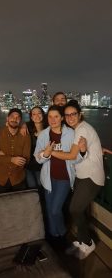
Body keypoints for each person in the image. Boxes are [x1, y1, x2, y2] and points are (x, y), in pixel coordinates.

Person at [52, 100, 105, 259]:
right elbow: (80, 153)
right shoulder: (75, 130)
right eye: (67, 115)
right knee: (77, 209)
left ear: (79, 114)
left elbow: (72, 155)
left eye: (73, 114)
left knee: (75, 209)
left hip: (91, 175)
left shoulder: (82, 129)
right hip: (82, 175)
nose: (70, 117)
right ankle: (82, 241)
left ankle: (88, 243)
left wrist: (48, 152)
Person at [34, 105, 86, 242]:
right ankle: (53, 235)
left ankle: (62, 233)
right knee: (50, 209)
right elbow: (37, 158)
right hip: (48, 178)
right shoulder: (43, 135)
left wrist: (82, 151)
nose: (53, 119)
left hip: (64, 178)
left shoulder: (71, 133)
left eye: (56, 116)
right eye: (50, 116)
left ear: (62, 118)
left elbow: (76, 158)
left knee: (55, 209)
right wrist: (45, 154)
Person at [0, 108, 31, 193]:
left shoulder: (25, 136)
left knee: (18, 205)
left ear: (20, 120)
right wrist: (12, 159)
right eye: (12, 116)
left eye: (18, 117)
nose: (15, 119)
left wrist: (3, 157)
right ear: (7, 118)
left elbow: (26, 159)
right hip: (0, 179)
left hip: (18, 179)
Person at [26, 106, 47, 189]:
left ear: (43, 114)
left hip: (43, 166)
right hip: (29, 166)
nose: (37, 116)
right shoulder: (27, 130)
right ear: (31, 117)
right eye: (34, 114)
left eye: (39, 113)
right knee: (32, 188)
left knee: (42, 188)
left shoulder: (48, 130)